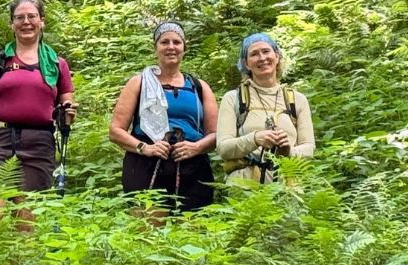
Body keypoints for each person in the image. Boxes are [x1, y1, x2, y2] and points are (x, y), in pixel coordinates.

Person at [0, 0, 77, 192]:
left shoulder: (57, 64)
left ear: (42, 21)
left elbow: (67, 115)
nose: (26, 22)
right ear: (12, 24)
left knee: (27, 216)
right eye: (19, 18)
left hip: (39, 144)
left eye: (32, 16)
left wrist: (68, 115)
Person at [109, 21, 218, 214]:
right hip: (146, 164)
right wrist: (145, 148)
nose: (171, 47)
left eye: (176, 42)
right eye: (164, 42)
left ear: (184, 48)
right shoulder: (139, 83)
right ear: (155, 48)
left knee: (193, 231)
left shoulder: (198, 87)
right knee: (149, 232)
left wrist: (196, 147)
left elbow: (216, 134)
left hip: (193, 164)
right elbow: (116, 131)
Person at [216, 33, 315, 183]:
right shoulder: (233, 98)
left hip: (289, 187)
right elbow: (223, 148)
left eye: (266, 51)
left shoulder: (297, 100)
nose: (262, 58)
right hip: (244, 186)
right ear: (246, 63)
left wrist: (288, 151)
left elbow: (309, 148)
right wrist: (255, 139)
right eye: (254, 54)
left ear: (277, 57)